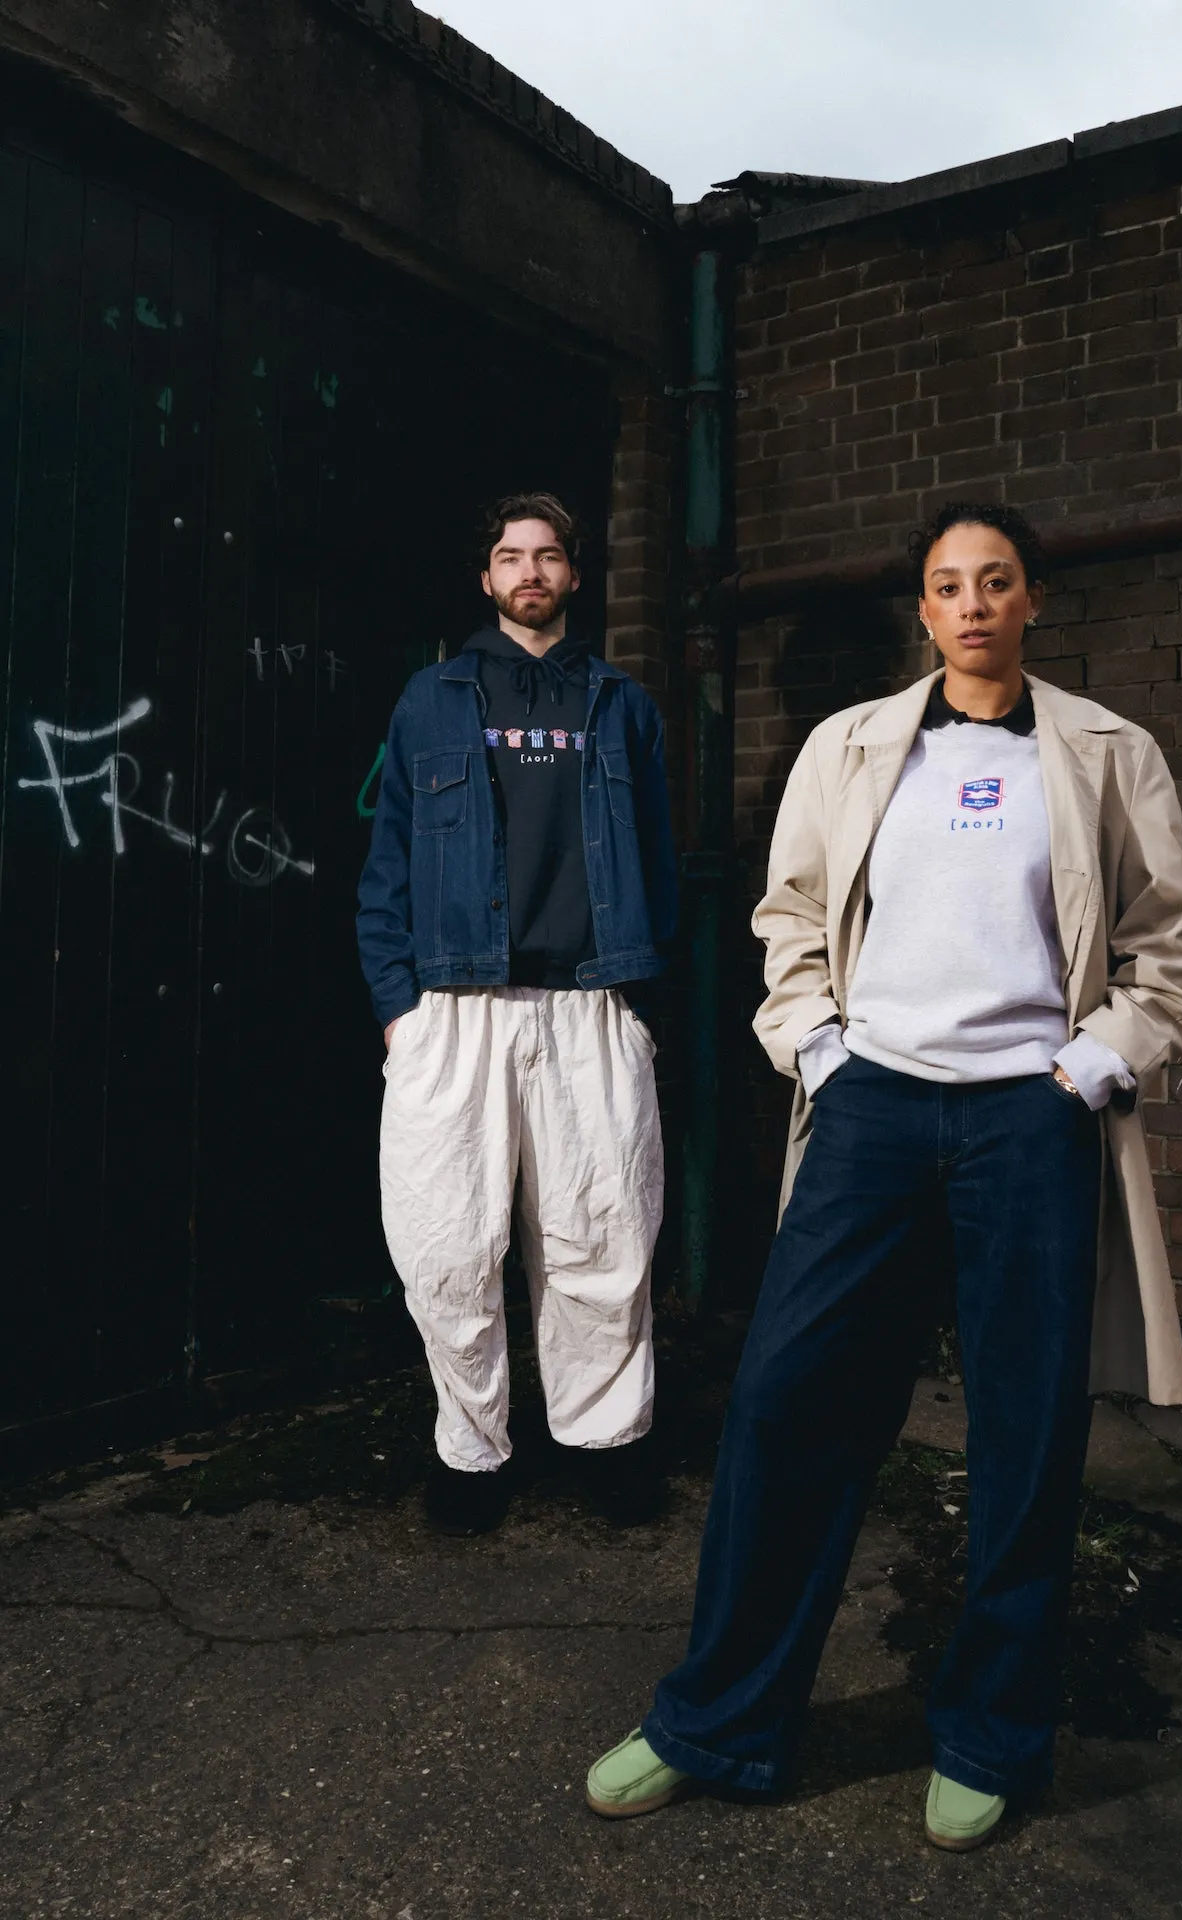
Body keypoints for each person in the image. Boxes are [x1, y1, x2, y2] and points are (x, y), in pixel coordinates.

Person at [585, 501, 1182, 1848]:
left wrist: (1093, 1068)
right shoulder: (850, 745)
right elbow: (789, 914)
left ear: (1034, 599)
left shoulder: (1107, 753)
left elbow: (1168, 942)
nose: (970, 603)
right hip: (872, 1116)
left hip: (1029, 1126)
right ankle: (714, 1719)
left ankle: (989, 1735)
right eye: (944, 585)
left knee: (1023, 1438)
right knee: (785, 1407)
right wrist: (818, 1050)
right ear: (918, 614)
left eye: (995, 581)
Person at [357, 492, 677, 1535]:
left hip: (587, 1002)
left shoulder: (620, 703)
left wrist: (639, 997)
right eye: (509, 557)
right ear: (485, 577)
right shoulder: (430, 700)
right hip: (453, 1008)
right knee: (447, 1244)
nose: (528, 572)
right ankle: (471, 1451)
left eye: (547, 557)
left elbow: (660, 861)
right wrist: (399, 1010)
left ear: (573, 578)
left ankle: (603, 1441)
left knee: (602, 1237)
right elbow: (387, 865)